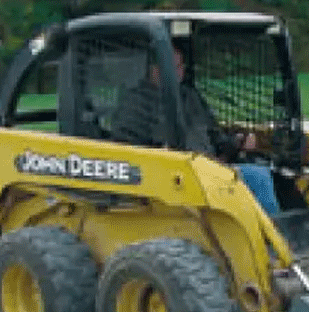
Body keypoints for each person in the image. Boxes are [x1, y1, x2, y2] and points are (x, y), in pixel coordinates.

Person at [115, 44, 281, 214]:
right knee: (258, 177)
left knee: (267, 170)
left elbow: (214, 135)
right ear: (155, 69)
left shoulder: (189, 97)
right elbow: (127, 150)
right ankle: (273, 235)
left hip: (209, 169)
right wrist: (159, 154)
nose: (180, 72)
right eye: (175, 67)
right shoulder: (136, 104)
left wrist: (237, 141)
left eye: (181, 67)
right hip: (175, 179)